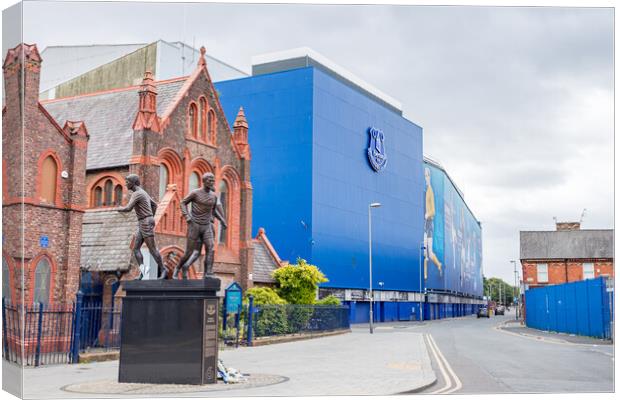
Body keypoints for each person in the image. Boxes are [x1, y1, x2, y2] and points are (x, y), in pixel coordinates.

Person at [176, 172, 227, 279]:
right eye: (209, 180)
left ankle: (208, 273)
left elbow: (213, 211)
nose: (212, 182)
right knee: (189, 252)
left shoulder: (213, 196)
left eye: (213, 180)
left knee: (211, 248)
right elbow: (183, 203)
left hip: (207, 225)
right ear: (204, 181)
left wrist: (222, 220)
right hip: (194, 225)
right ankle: (178, 268)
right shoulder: (195, 193)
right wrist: (187, 216)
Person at [118, 174, 166, 280]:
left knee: (152, 249)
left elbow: (128, 208)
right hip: (144, 221)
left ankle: (163, 270)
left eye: (127, 182)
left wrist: (119, 208)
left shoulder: (137, 194)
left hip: (145, 222)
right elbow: (154, 205)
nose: (126, 184)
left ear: (133, 183)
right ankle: (143, 272)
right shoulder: (143, 192)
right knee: (136, 249)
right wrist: (150, 217)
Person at [424, 168, 442, 280]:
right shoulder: (427, 190)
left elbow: (433, 211)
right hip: (427, 223)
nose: (426, 178)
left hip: (429, 223)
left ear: (430, 177)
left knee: (428, 253)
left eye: (427, 175)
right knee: (425, 252)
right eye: (425, 175)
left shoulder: (430, 190)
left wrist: (427, 215)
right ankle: (425, 275)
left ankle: (438, 264)